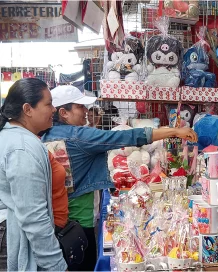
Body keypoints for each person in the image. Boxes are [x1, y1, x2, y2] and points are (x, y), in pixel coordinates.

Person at [41, 85, 198, 271]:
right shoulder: (77, 136)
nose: (86, 111)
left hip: (56, 217)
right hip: (80, 219)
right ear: (63, 112)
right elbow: (126, 137)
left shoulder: (45, 136)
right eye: (80, 107)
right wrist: (173, 131)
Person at [0, 78, 67, 271]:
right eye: (48, 104)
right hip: (11, 235)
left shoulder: (13, 137)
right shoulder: (22, 148)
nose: (53, 109)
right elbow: (34, 216)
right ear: (28, 109)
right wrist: (56, 265)